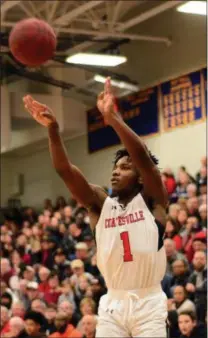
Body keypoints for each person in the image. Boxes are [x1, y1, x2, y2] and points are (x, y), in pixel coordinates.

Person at [23, 77, 168, 337]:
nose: (115, 172)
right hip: (112, 304)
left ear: (139, 177)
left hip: (149, 302)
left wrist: (112, 119)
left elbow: (144, 160)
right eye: (114, 168)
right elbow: (65, 171)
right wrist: (53, 129)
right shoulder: (100, 203)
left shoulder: (152, 200)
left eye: (124, 168)